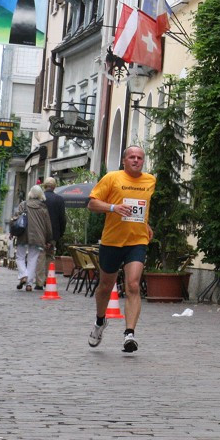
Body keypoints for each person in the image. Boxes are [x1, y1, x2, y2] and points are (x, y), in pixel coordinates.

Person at [86, 146, 155, 353]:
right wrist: (113, 208)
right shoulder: (112, 178)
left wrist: (145, 223)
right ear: (124, 160)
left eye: (140, 158)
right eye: (132, 157)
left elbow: (142, 208)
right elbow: (91, 204)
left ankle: (129, 334)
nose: (136, 160)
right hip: (112, 241)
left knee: (133, 285)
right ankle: (100, 322)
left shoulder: (150, 180)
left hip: (137, 241)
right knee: (105, 287)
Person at [14, 187, 53, 291]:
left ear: (30, 193)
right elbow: (48, 225)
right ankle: (29, 284)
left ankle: (23, 275)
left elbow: (16, 219)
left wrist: (12, 232)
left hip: (23, 235)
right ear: (41, 195)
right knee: (33, 259)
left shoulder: (23, 204)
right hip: (38, 237)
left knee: (20, 257)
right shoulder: (43, 207)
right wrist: (49, 239)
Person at [40, 178, 67, 289]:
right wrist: (60, 232)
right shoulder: (59, 199)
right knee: (50, 255)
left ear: (44, 186)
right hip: (53, 233)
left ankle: (39, 279)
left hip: (40, 231)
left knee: (40, 255)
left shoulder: (40, 199)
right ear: (54, 186)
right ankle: (48, 277)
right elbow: (62, 218)